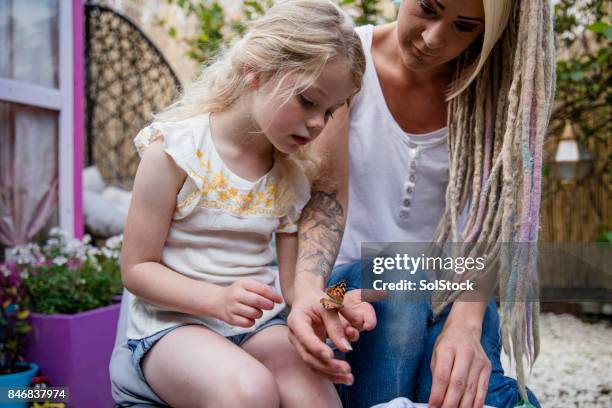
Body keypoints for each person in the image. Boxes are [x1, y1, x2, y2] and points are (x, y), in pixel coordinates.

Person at [286, 0, 555, 407]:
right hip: (343, 287)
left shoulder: (493, 92)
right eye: (429, 8)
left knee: (460, 380)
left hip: (449, 286)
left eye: (463, 27)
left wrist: (465, 325)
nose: (434, 38)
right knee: (401, 278)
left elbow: (486, 227)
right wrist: (310, 295)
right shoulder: (346, 65)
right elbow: (326, 199)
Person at [109, 0, 365, 406]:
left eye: (330, 112)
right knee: (250, 391)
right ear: (254, 72)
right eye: (307, 100)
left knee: (317, 395)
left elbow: (293, 287)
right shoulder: (176, 152)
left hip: (256, 328)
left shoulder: (290, 177)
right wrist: (215, 299)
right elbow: (136, 269)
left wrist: (333, 301)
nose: (318, 123)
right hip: (174, 327)